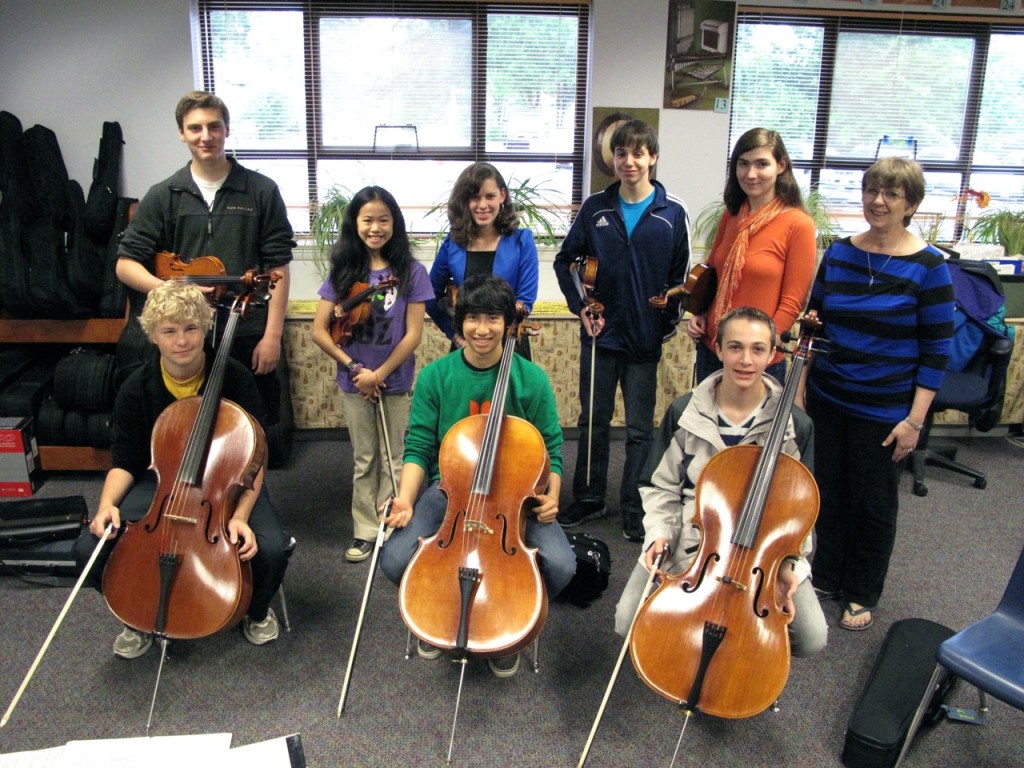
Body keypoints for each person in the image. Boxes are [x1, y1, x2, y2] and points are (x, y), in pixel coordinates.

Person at [73, 281, 291, 658]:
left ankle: (254, 610)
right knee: (89, 547)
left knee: (269, 548)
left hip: (230, 484)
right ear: (153, 334)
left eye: (191, 328)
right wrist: (107, 504)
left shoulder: (235, 377)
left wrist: (239, 515)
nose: (182, 341)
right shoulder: (136, 386)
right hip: (161, 485)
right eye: (169, 331)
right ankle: (137, 615)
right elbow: (125, 461)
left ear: (205, 328)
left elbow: (256, 461)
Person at [379, 274, 576, 678]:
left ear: (508, 324)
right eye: (472, 318)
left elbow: (552, 450)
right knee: (395, 560)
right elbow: (418, 447)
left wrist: (552, 494)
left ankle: (512, 623)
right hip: (449, 491)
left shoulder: (531, 379)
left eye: (492, 319)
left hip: (513, 496)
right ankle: (437, 615)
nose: (482, 329)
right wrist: (404, 498)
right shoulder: (436, 376)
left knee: (562, 566)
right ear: (460, 322)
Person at [614, 306, 827, 659]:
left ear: (773, 352)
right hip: (693, 541)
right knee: (625, 621)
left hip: (762, 551)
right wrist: (660, 535)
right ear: (718, 347)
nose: (745, 360)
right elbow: (659, 487)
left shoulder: (796, 425)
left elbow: (801, 512)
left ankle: (735, 663)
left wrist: (792, 564)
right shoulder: (684, 412)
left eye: (758, 349)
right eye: (735, 347)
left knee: (811, 636)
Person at [797, 157, 954, 631]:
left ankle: (861, 590)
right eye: (871, 191)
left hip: (885, 411)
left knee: (873, 502)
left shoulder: (929, 268)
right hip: (829, 397)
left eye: (891, 194)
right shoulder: (842, 253)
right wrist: (802, 388)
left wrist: (914, 420)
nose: (877, 201)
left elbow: (936, 352)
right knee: (829, 493)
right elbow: (813, 327)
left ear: (911, 204)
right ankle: (827, 573)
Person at [115, 90, 296, 465]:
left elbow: (278, 268)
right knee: (186, 428)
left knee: (249, 430)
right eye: (194, 128)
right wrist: (173, 288)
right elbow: (125, 265)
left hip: (244, 327)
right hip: (187, 332)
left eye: (214, 126)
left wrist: (273, 335)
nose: (205, 136)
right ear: (181, 133)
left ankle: (245, 505)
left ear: (226, 129)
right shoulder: (164, 194)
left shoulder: (261, 191)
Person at [553, 119, 691, 542]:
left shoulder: (673, 212)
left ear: (653, 158)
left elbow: (679, 278)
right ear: (612, 159)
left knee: (638, 430)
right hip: (599, 336)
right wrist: (581, 308)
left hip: (643, 340)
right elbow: (566, 262)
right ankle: (590, 498)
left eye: (637, 153)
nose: (628, 162)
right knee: (592, 420)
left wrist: (662, 324)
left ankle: (634, 505)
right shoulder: (596, 207)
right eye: (620, 153)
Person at [311, 186, 433, 563]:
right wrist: (355, 368)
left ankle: (391, 523)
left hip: (393, 379)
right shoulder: (344, 271)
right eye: (368, 220)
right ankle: (364, 530)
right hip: (354, 380)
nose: (375, 227)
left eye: (383, 219)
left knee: (397, 456)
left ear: (394, 222)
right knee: (365, 458)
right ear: (356, 224)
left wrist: (378, 372)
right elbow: (319, 330)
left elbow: (413, 334)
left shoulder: (411, 271)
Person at [686, 128, 816, 385]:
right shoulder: (732, 214)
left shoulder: (798, 224)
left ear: (781, 165)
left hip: (758, 360)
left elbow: (792, 301)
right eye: (743, 164)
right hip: (715, 348)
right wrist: (699, 313)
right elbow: (711, 272)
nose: (751, 174)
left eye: (761, 164)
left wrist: (764, 349)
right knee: (708, 425)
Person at [426, 161, 539, 358]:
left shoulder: (522, 241)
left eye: (490, 196)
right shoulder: (453, 243)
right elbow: (429, 295)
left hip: (510, 344)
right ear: (465, 201)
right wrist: (454, 334)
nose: (482, 205)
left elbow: (525, 300)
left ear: (502, 195)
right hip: (467, 345)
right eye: (475, 197)